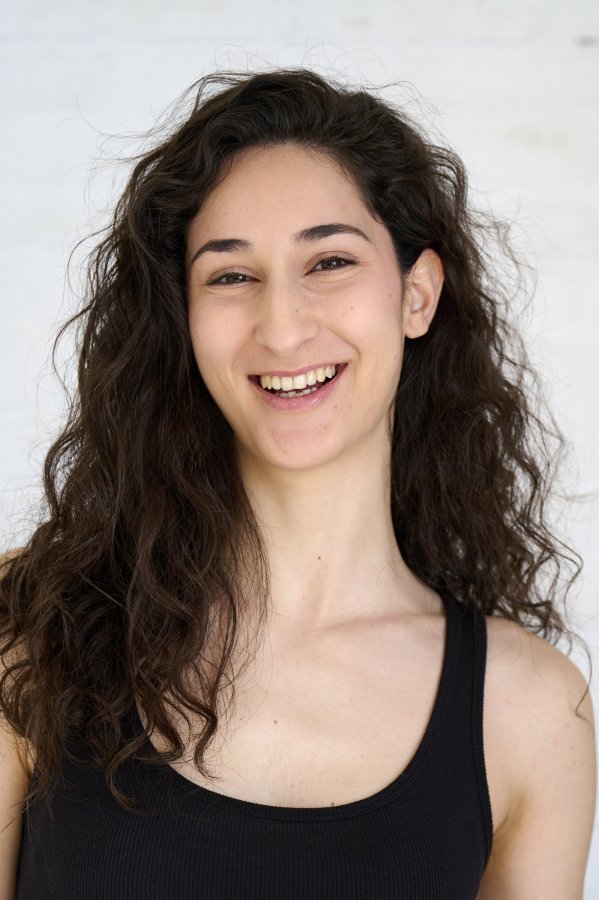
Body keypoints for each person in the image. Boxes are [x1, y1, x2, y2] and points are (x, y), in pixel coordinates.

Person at [0, 68, 596, 899]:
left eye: (329, 261)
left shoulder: (529, 713)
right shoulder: (33, 630)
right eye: (230, 275)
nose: (281, 328)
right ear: (183, 317)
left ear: (416, 294)